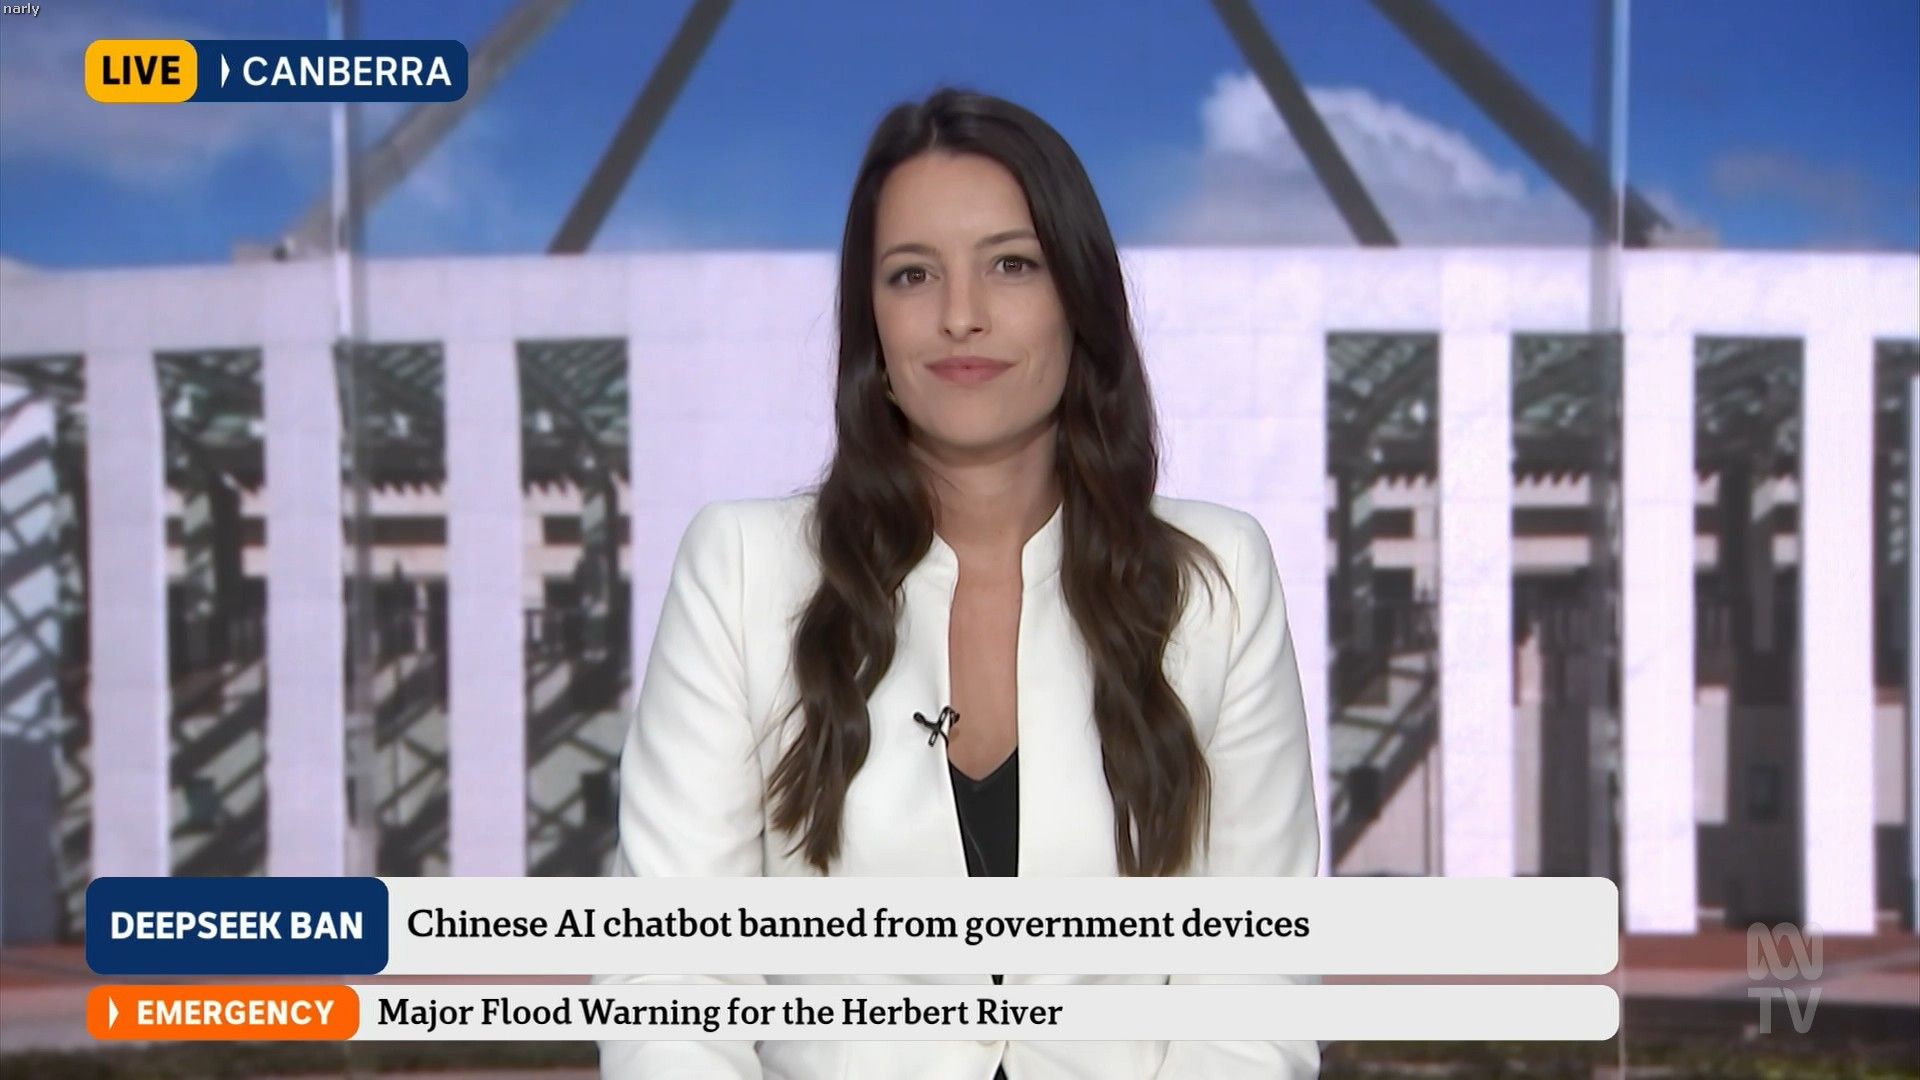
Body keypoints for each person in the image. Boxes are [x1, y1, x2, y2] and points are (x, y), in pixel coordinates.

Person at [599, 86, 1321, 1079]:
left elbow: (1251, 995)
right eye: (912, 275)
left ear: (1079, 298)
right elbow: (672, 984)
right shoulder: (740, 569)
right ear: (872, 325)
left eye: (1011, 265)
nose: (960, 317)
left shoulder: (1218, 581)